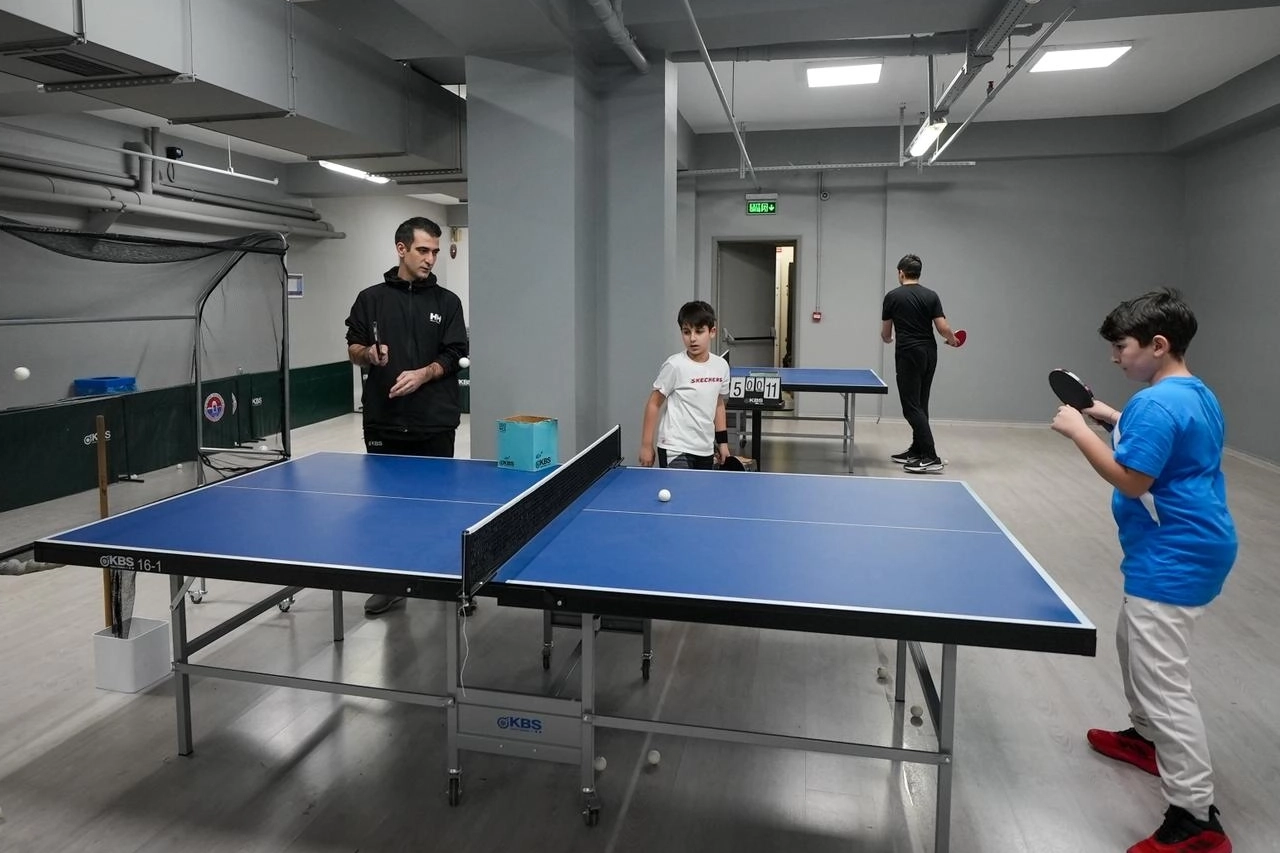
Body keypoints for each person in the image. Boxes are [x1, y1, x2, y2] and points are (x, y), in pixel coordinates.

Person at [1051, 289, 1235, 853]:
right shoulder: (1192, 393)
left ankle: (1196, 820)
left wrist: (1079, 431)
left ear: (1157, 345)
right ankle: (1147, 739)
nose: (1114, 357)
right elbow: (1166, 444)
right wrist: (1107, 415)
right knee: (1133, 643)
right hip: (1188, 545)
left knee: (1163, 683)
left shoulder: (1155, 405)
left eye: (1121, 347)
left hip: (1173, 555)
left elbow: (1133, 480)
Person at [345, 216, 468, 615]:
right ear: (402, 249)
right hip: (384, 420)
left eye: (435, 251)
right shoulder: (370, 299)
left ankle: (449, 584)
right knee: (387, 510)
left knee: (438, 508)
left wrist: (423, 374)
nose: (430, 258)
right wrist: (368, 353)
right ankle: (391, 584)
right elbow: (353, 347)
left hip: (434, 422)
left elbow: (455, 353)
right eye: (423, 250)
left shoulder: (447, 302)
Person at [880, 254, 960, 474]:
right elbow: (943, 328)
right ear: (918, 273)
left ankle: (931, 456)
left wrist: (887, 339)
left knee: (910, 406)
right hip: (929, 353)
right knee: (921, 403)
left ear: (901, 273)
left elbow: (886, 333)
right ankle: (917, 450)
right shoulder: (931, 295)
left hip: (908, 354)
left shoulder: (892, 296)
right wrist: (953, 340)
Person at [639, 300, 731, 470]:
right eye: (686, 332)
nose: (692, 338)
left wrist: (723, 443)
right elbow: (654, 403)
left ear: (712, 332)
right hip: (675, 447)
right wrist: (646, 445)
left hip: (705, 448)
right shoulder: (674, 365)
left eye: (699, 331)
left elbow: (718, 404)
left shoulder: (721, 366)